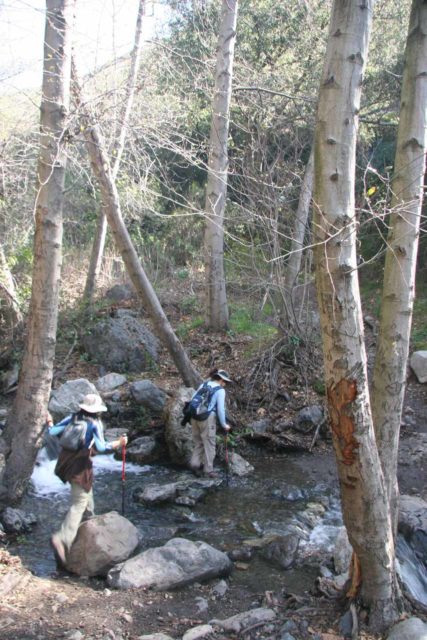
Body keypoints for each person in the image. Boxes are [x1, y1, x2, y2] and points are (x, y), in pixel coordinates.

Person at [47, 393, 127, 565]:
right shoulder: (94, 423)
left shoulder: (73, 417)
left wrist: (49, 421)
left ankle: (88, 525)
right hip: (80, 465)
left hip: (65, 461)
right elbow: (101, 446)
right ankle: (62, 538)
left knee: (86, 497)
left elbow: (53, 432)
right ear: (97, 410)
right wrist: (119, 443)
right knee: (79, 502)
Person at [190, 368, 232, 478]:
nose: (225, 385)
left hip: (194, 417)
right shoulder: (220, 390)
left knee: (198, 442)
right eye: (225, 382)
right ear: (221, 380)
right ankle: (208, 470)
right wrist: (224, 425)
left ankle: (195, 465)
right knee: (209, 443)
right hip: (207, 418)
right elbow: (221, 410)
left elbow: (193, 399)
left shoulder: (204, 384)